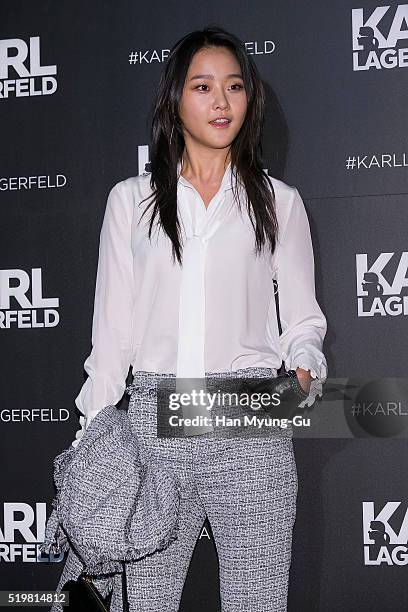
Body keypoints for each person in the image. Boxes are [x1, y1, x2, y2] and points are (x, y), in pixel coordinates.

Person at [66, 25, 328, 612]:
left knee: (256, 603)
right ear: (175, 100)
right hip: (153, 427)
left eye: (234, 87)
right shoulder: (129, 202)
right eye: (203, 86)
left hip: (248, 423)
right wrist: (92, 446)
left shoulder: (279, 202)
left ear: (248, 100)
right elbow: (110, 343)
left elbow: (305, 320)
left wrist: (301, 377)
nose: (220, 101)